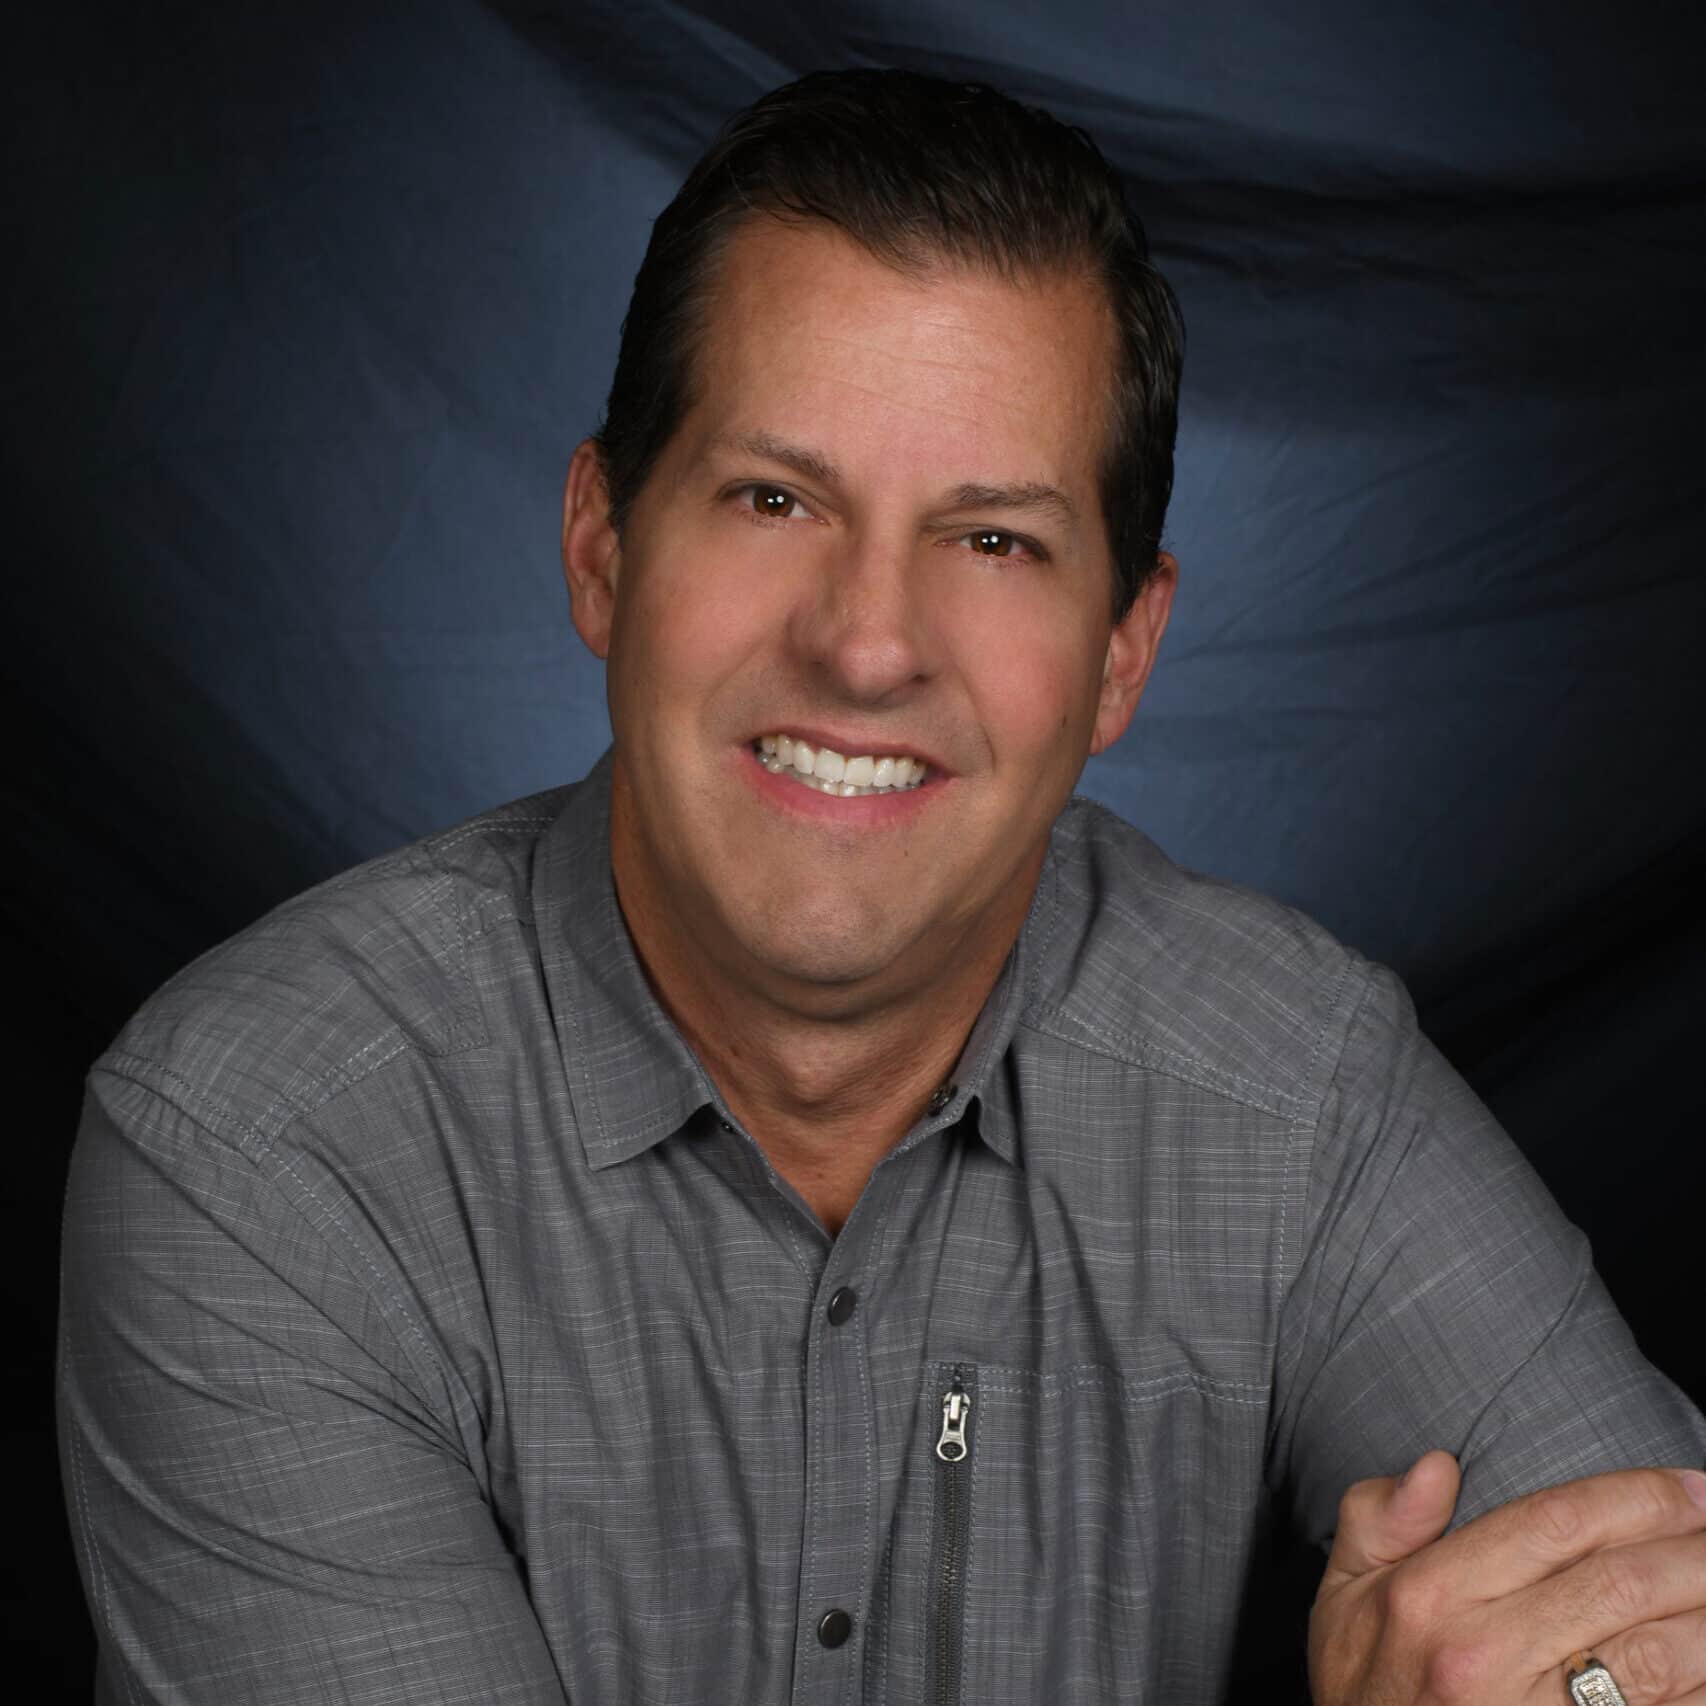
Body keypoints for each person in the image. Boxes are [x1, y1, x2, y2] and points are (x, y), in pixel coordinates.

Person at [58, 67, 1706, 1706]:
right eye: (776, 499)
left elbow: (1663, 1639)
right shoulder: (262, 1148)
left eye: (989, 539)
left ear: (1121, 650)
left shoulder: (1298, 1094)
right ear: (602, 549)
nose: (863, 641)